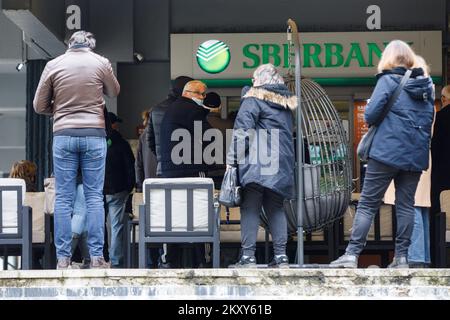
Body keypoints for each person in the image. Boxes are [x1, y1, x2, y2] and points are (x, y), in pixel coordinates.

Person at [330, 41, 434, 269]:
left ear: (388, 59)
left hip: (386, 153)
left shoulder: (388, 80)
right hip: (414, 157)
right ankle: (402, 258)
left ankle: (351, 255)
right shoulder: (427, 88)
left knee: (367, 204)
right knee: (406, 205)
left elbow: (370, 115)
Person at [33, 30, 120, 269]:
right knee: (93, 197)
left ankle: (63, 259)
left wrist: (61, 110)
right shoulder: (100, 62)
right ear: (90, 45)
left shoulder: (54, 64)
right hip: (94, 135)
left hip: (63, 135)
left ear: (68, 44)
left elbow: (39, 105)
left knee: (64, 198)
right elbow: (114, 92)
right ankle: (97, 257)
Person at [226, 63, 297, 268]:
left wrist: (232, 160)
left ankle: (248, 257)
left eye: (254, 78)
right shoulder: (286, 105)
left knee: (250, 207)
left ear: (260, 80)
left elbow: (242, 133)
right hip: (280, 162)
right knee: (275, 207)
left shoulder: (253, 99)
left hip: (258, 162)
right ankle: (281, 256)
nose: (251, 82)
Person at [383, 55, 434, 268]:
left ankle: (414, 257)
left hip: (404, 156)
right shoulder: (428, 99)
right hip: (421, 155)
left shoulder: (404, 98)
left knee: (409, 207)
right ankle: (422, 256)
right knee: (419, 209)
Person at [159, 80, 215, 268]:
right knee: (201, 213)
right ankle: (204, 259)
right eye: (202, 95)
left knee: (172, 215)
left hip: (169, 170)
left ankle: (168, 259)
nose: (204, 99)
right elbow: (210, 138)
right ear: (192, 94)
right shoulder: (193, 110)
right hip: (191, 168)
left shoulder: (171, 110)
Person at [104, 112, 136, 268]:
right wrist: (129, 186)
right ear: (112, 124)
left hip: (96, 190)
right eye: (116, 123)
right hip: (117, 189)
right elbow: (130, 166)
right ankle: (115, 260)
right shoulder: (121, 143)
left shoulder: (93, 141)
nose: (118, 125)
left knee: (96, 224)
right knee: (116, 225)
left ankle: (96, 258)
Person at [147, 76, 193, 177]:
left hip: (163, 169)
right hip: (186, 169)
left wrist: (163, 157)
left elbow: (150, 141)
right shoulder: (189, 109)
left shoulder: (155, 110)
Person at [431, 84, 450, 215]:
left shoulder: (439, 118)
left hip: (442, 174)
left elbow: (434, 149)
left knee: (439, 212)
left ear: (443, 99)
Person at [135, 110, 157, 192]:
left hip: (148, 183)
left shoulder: (143, 136)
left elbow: (138, 164)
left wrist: (139, 186)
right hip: (165, 181)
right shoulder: (166, 132)